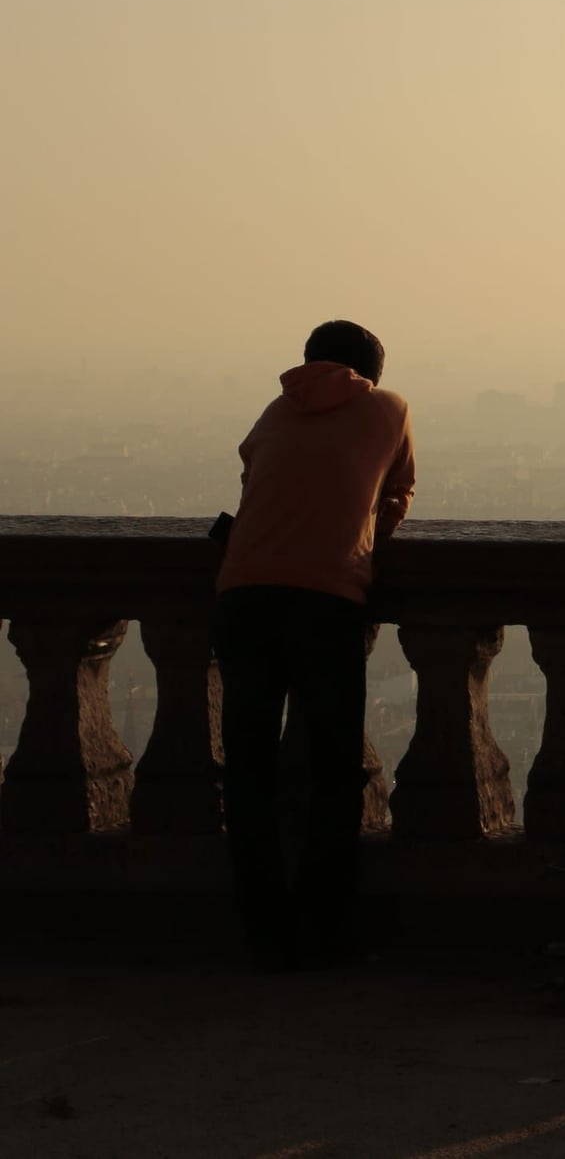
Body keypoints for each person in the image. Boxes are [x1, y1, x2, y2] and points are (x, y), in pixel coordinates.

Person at [214, 320, 415, 969]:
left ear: (309, 362)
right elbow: (395, 498)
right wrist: (355, 550)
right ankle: (323, 925)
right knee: (334, 770)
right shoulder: (387, 410)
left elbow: (251, 487)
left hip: (243, 594)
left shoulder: (275, 410)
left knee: (247, 770)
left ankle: (262, 928)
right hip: (326, 598)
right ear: (370, 373)